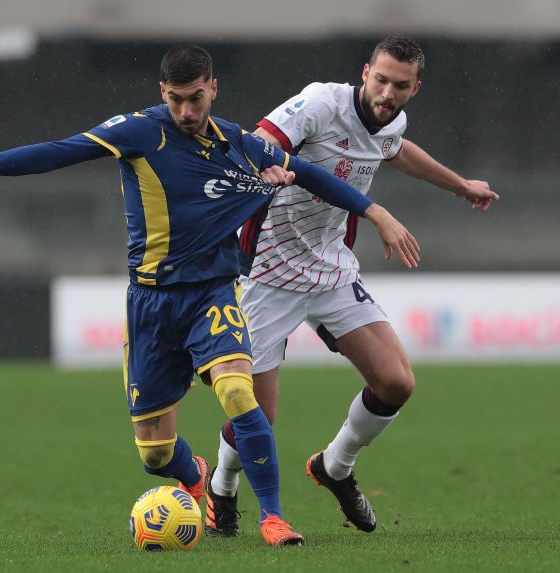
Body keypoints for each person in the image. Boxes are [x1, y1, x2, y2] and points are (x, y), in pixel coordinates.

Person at [0, 45, 420, 546]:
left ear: (213, 90)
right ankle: (197, 473)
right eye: (175, 99)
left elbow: (308, 172)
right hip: (152, 303)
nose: (186, 111)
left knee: (241, 396)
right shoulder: (140, 131)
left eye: (195, 98)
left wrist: (375, 213)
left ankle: (273, 518)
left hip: (213, 294)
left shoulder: (239, 143)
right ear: (162, 92)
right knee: (153, 453)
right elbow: (60, 151)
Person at [205, 37, 499, 537]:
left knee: (396, 383)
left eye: (400, 85)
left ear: (414, 88)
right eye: (380, 79)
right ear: (365, 72)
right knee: (258, 415)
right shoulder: (321, 102)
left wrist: (459, 185)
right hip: (267, 274)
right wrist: (271, 160)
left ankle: (334, 466)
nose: (387, 92)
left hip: (331, 269)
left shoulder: (392, 121)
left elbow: (396, 151)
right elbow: (258, 139)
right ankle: (222, 486)